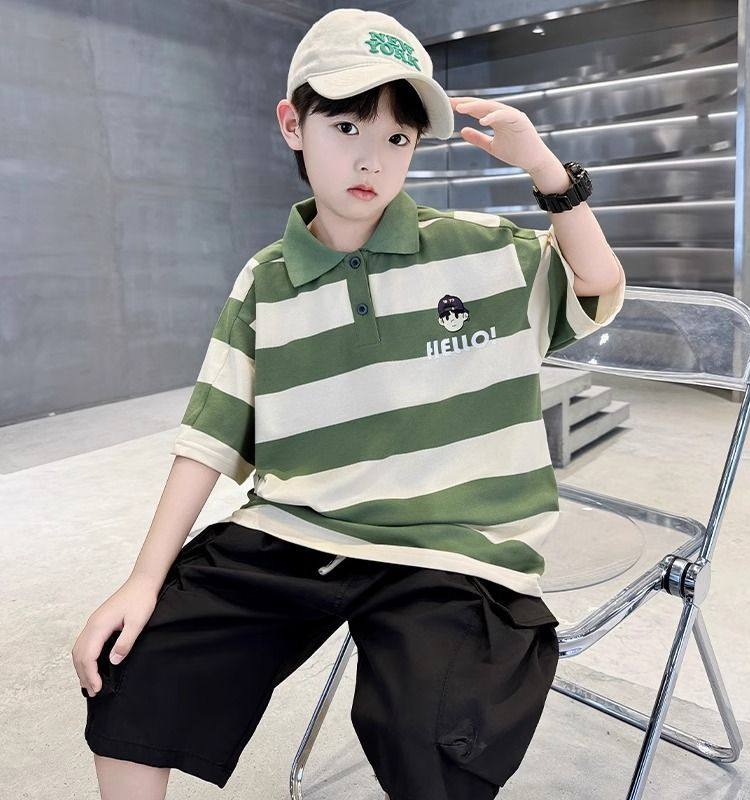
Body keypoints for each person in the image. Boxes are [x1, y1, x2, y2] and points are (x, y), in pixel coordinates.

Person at [72, 7, 626, 799]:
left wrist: (544, 169)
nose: (371, 158)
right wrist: (141, 580)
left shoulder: (480, 250)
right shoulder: (266, 281)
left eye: (398, 138)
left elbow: (597, 283)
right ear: (292, 125)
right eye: (345, 127)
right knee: (132, 669)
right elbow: (207, 438)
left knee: (437, 734)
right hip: (298, 530)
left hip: (453, 549)